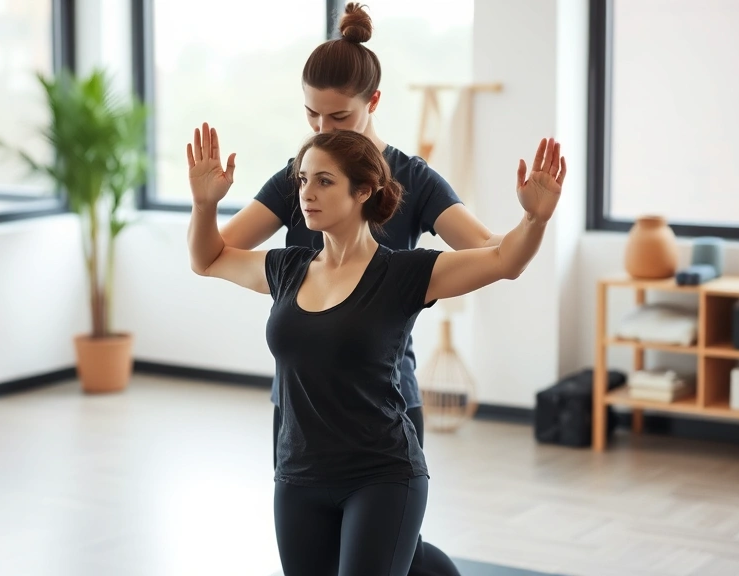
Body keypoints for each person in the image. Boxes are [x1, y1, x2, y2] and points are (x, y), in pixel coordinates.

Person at [216, 3, 527, 574]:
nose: (322, 129)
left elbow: (487, 247)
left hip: (384, 392)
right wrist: (204, 199)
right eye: (312, 115)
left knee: (381, 545)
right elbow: (219, 248)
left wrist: (531, 222)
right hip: (305, 395)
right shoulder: (304, 174)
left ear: (373, 103)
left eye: (338, 117)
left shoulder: (411, 177)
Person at [187, 123, 565, 575]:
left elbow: (505, 261)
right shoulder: (286, 267)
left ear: (363, 191)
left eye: (324, 181)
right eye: (303, 180)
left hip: (381, 474)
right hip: (298, 475)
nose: (307, 193)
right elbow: (207, 259)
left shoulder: (404, 273)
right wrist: (204, 204)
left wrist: (534, 219)